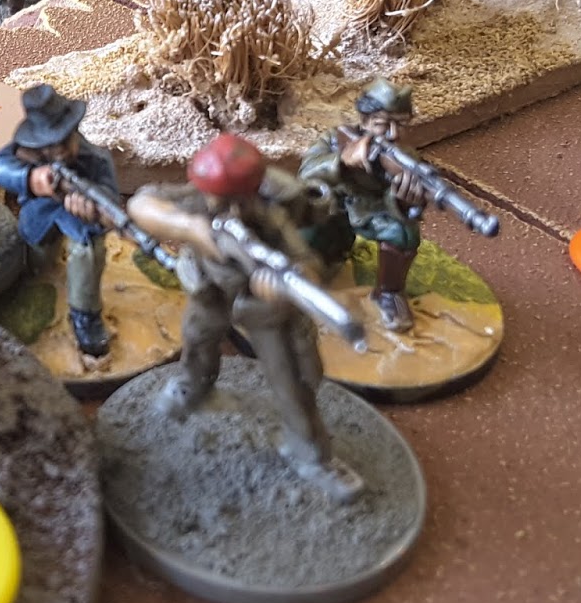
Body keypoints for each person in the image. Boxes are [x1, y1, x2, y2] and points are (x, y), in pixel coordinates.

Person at [127, 134, 364, 503]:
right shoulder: (199, 198)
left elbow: (307, 266)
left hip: (261, 308)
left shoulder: (274, 215)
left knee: (289, 379)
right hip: (210, 291)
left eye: (239, 200)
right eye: (221, 200)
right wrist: (189, 228)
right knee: (198, 339)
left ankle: (310, 454)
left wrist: (280, 284)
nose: (231, 211)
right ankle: (192, 387)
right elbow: (141, 204)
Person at [0, 85, 118, 356]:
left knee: (88, 250)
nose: (60, 151)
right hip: (39, 215)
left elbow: (111, 200)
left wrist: (91, 210)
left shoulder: (95, 159)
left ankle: (85, 316)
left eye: (63, 141)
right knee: (36, 262)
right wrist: (30, 179)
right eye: (51, 145)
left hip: (78, 220)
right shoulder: (28, 151)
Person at [299, 78, 429, 332]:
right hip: (331, 211)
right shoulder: (335, 140)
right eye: (383, 125)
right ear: (365, 121)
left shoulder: (407, 160)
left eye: (402, 124)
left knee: (404, 233)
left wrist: (404, 200)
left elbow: (402, 205)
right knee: (304, 248)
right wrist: (342, 160)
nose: (394, 134)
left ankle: (389, 294)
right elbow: (305, 176)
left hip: (370, 213)